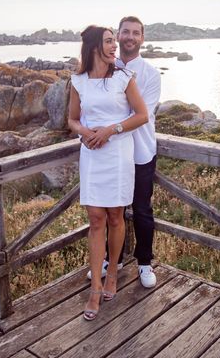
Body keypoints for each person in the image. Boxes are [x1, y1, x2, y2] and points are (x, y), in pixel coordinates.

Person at [68, 25, 148, 321]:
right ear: (93, 48)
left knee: (115, 216)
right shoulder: (78, 81)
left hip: (117, 153)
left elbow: (142, 115)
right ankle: (95, 288)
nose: (115, 45)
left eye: (115, 40)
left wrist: (110, 130)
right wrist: (85, 131)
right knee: (95, 218)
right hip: (91, 154)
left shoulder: (124, 77)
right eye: (109, 41)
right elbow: (72, 119)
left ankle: (113, 272)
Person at [87, 16, 161, 288]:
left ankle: (144, 262)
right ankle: (111, 260)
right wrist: (92, 131)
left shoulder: (151, 74)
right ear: (117, 36)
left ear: (142, 38)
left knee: (141, 210)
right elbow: (94, 106)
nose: (130, 37)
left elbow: (139, 115)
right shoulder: (104, 68)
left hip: (140, 151)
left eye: (135, 33)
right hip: (112, 154)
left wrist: (105, 131)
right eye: (125, 32)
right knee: (109, 211)